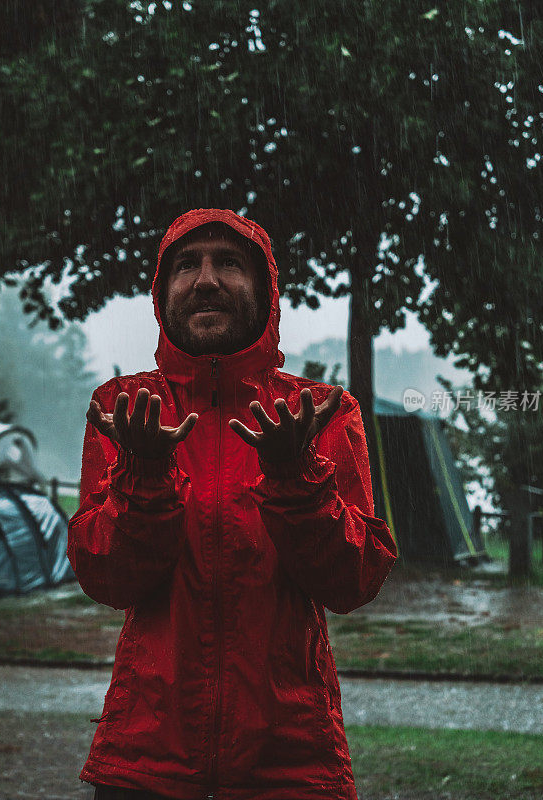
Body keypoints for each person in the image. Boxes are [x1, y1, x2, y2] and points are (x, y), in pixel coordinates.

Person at [68, 208, 398, 800]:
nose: (206, 279)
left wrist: (295, 477)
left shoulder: (319, 412)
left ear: (266, 290)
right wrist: (144, 477)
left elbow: (354, 581)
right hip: (146, 763)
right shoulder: (124, 407)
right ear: (161, 292)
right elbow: (107, 578)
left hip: (293, 761)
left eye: (229, 263)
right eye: (186, 265)